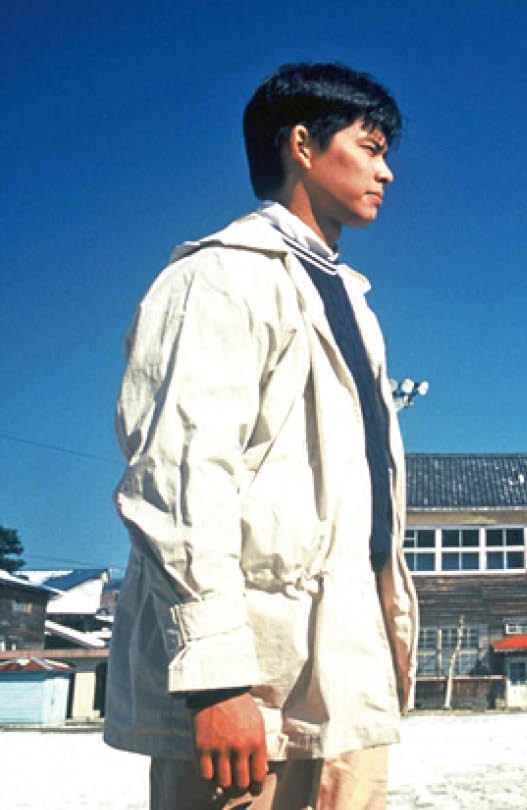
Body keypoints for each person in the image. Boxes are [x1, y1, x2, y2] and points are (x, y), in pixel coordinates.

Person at [104, 62, 420, 809]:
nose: (387, 173)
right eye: (371, 148)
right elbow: (180, 476)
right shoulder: (221, 277)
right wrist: (216, 678)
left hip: (344, 677)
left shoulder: (351, 300)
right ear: (302, 145)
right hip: (253, 679)